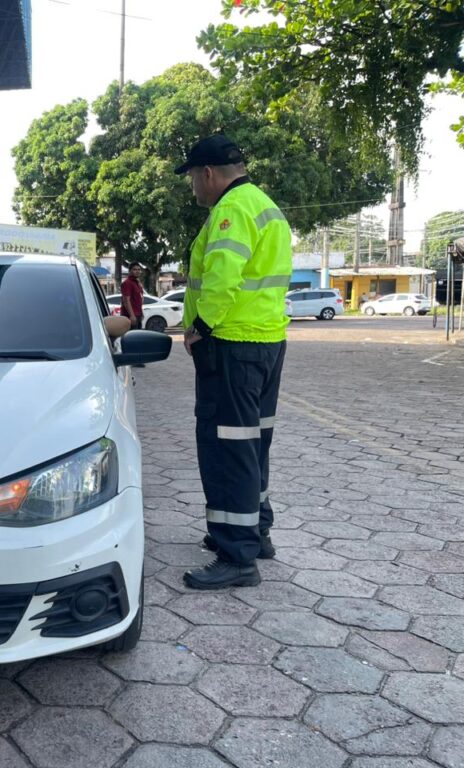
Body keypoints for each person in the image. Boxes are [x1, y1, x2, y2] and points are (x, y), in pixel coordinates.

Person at [175, 133, 292, 590]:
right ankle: (255, 532)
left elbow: (223, 277)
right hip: (266, 342)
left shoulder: (231, 210)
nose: (192, 188)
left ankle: (236, 555)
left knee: (227, 448)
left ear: (207, 173)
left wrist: (199, 327)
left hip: (231, 345)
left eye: (191, 178)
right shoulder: (266, 206)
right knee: (252, 444)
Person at [121, 263, 144, 330]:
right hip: (130, 316)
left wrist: (141, 313)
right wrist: (132, 315)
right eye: (135, 269)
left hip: (138, 315)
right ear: (130, 271)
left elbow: (139, 300)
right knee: (132, 336)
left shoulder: (137, 283)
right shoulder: (127, 283)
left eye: (139, 269)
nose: (137, 271)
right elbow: (126, 300)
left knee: (138, 335)